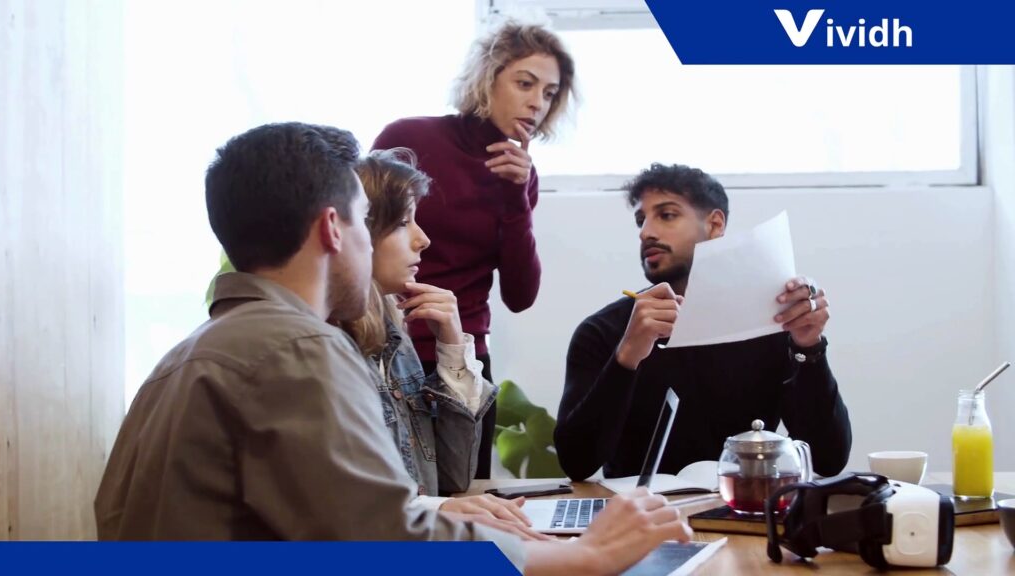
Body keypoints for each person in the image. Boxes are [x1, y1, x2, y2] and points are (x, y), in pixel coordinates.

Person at [94, 122, 692, 575]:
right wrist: (585, 555)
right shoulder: (298, 347)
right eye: (364, 219)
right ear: (333, 229)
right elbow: (390, 542)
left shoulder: (182, 359)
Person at [555, 163, 852, 482]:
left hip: (744, 504)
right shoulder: (604, 331)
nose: (646, 232)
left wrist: (808, 347)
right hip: (638, 509)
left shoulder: (771, 323)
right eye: (641, 220)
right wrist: (626, 356)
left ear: (714, 224)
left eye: (666, 215)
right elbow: (576, 463)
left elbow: (828, 459)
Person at [372, 20, 577, 477]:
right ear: (488, 79)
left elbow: (520, 295)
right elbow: (361, 241)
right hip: (388, 347)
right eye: (525, 83)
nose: (537, 102)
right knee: (397, 497)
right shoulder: (408, 138)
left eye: (549, 93)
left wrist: (516, 199)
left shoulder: (522, 177)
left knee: (468, 492)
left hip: (462, 354)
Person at [345, 148, 528, 524]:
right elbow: (349, 507)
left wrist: (453, 347)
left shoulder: (396, 339)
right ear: (357, 234)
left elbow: (454, 476)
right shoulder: (329, 350)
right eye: (403, 223)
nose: (423, 239)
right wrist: (441, 508)